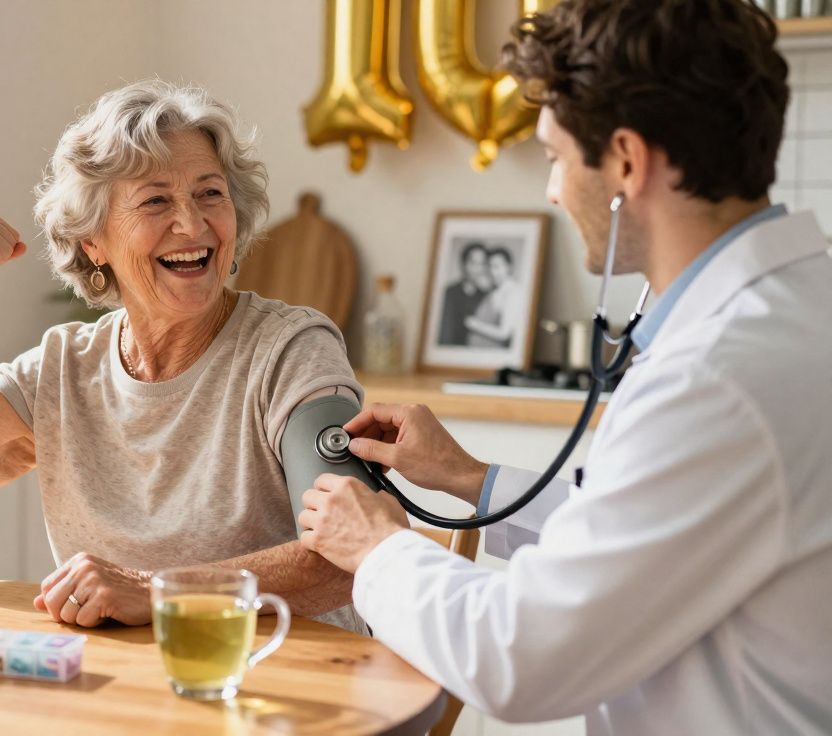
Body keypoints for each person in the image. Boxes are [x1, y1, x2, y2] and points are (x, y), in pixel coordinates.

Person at [298, 0, 832, 732]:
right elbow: (649, 534)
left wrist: (376, 547)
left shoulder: (715, 380)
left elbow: (517, 658)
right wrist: (470, 478)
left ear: (626, 160)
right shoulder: (796, 309)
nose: (552, 190)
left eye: (554, 157)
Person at [0, 80, 365, 632]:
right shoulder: (64, 370)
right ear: (93, 241)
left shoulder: (292, 351)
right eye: (156, 201)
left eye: (211, 194)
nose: (193, 225)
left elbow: (348, 553)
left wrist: (158, 591)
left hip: (288, 673)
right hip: (129, 678)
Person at [464, 247, 521, 349]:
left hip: (492, 353)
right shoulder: (495, 290)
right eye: (489, 267)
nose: (492, 272)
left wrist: (474, 325)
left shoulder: (513, 292)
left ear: (509, 267)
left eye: (497, 266)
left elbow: (504, 333)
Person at [437, 241, 489, 346]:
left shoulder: (485, 296)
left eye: (481, 264)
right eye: (473, 263)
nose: (477, 269)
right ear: (464, 264)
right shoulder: (449, 293)